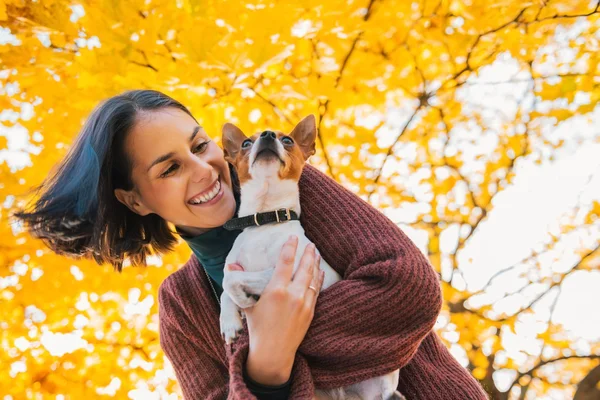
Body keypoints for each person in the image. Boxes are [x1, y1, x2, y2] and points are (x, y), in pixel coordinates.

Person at [16, 90, 488, 399]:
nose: (203, 170)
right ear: (135, 200)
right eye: (170, 168)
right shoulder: (181, 307)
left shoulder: (292, 188)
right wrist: (264, 361)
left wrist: (277, 362)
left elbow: (405, 289)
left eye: (199, 146)